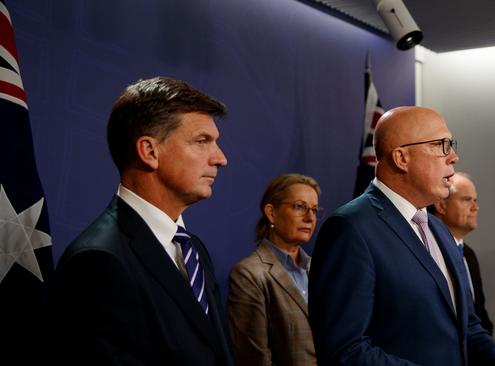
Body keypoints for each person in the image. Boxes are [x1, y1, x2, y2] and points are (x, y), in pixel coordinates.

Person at [51, 77, 234, 365]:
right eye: (202, 141)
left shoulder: (193, 249)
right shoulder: (99, 260)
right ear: (149, 151)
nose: (220, 159)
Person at [309, 106, 495, 366]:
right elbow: (345, 350)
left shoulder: (439, 229)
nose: (454, 157)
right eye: (441, 145)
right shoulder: (350, 229)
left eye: (451, 144)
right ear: (401, 158)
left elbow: (468, 327)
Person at [227, 173, 321, 366]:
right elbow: (253, 359)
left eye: (314, 209)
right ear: (271, 212)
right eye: (299, 207)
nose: (310, 218)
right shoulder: (249, 274)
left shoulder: (320, 268)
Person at [430, 172, 494, 334]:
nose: (475, 207)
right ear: (441, 205)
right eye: (466, 200)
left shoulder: (469, 255)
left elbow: (480, 315)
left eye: (475, 200)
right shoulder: (428, 252)